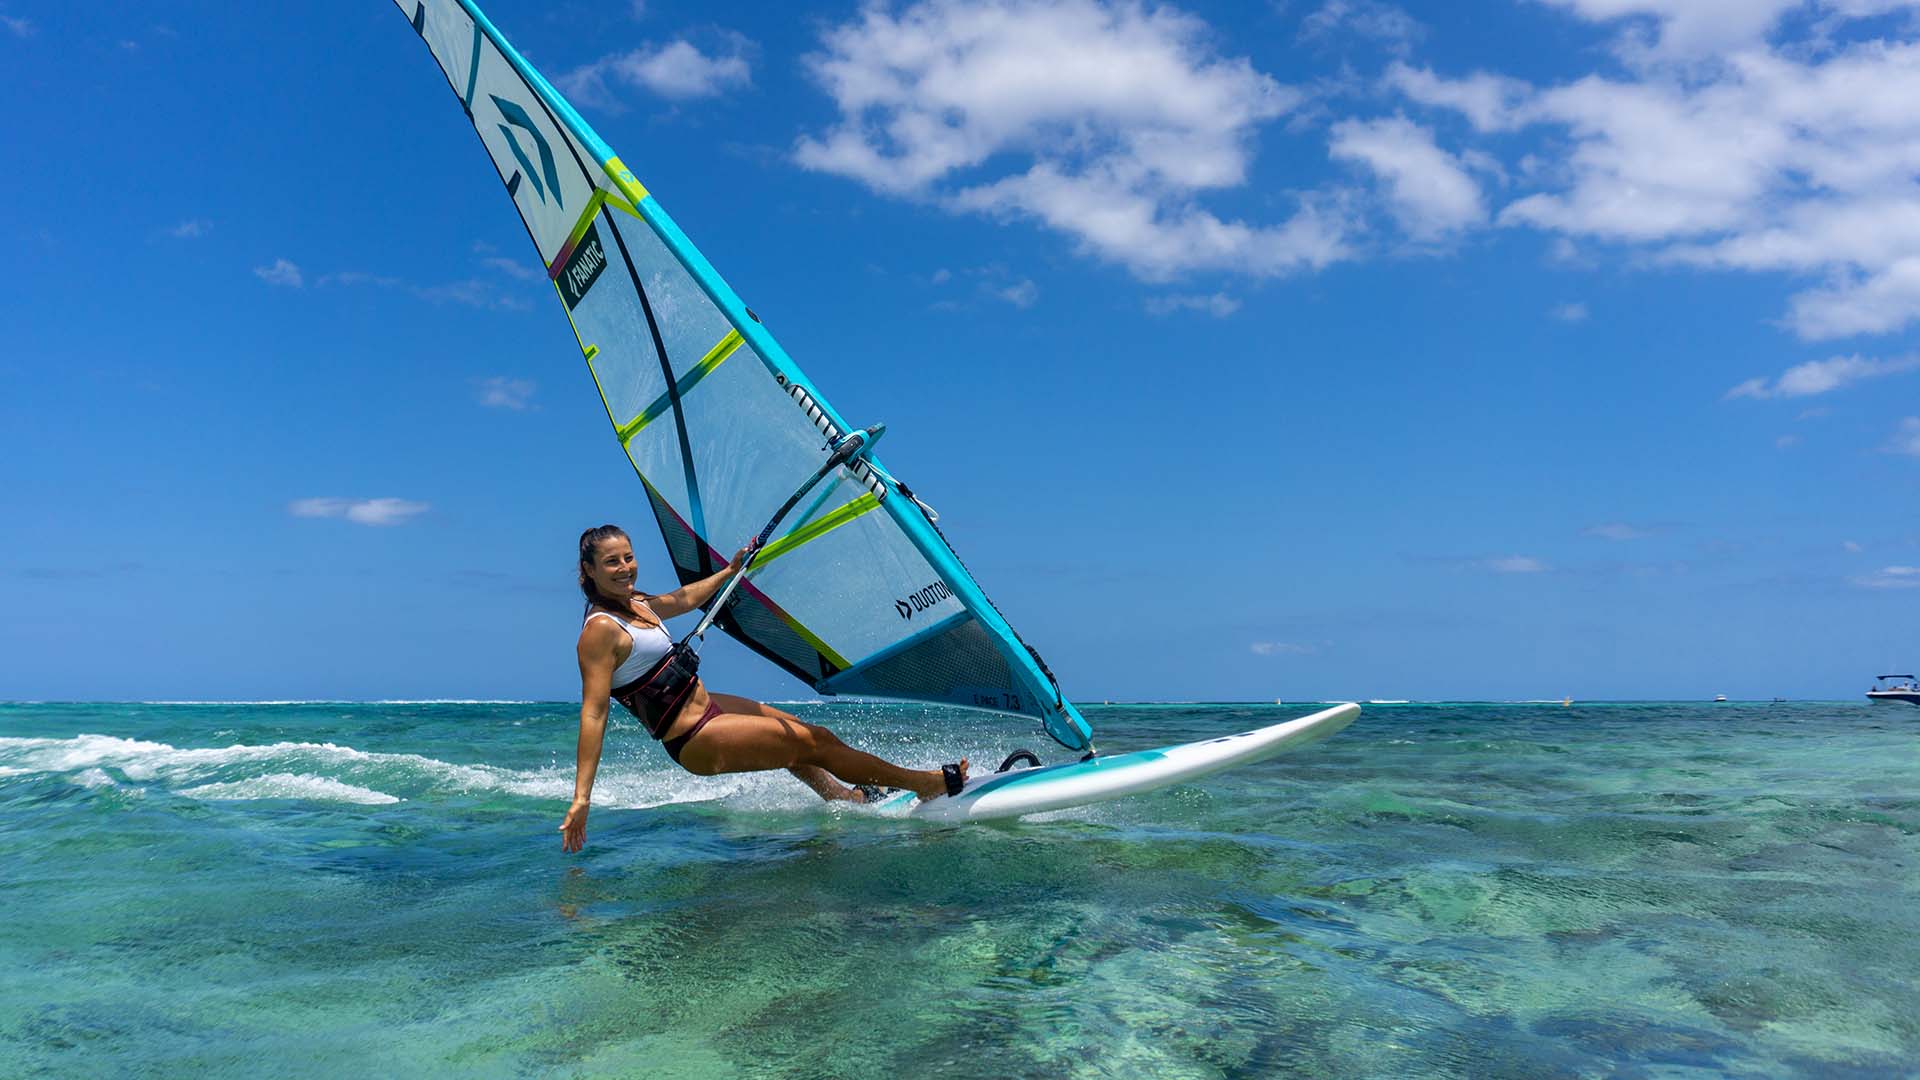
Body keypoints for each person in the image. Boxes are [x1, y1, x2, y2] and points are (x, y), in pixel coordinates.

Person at [560, 524, 967, 851]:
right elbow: (594, 713)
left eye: (629, 557)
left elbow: (684, 600)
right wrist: (582, 798)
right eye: (611, 562)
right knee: (815, 741)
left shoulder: (638, 604)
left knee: (792, 732)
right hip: (694, 737)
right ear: (589, 570)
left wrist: (731, 570)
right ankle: (923, 783)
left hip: (706, 707)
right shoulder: (599, 632)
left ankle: (843, 800)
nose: (625, 567)